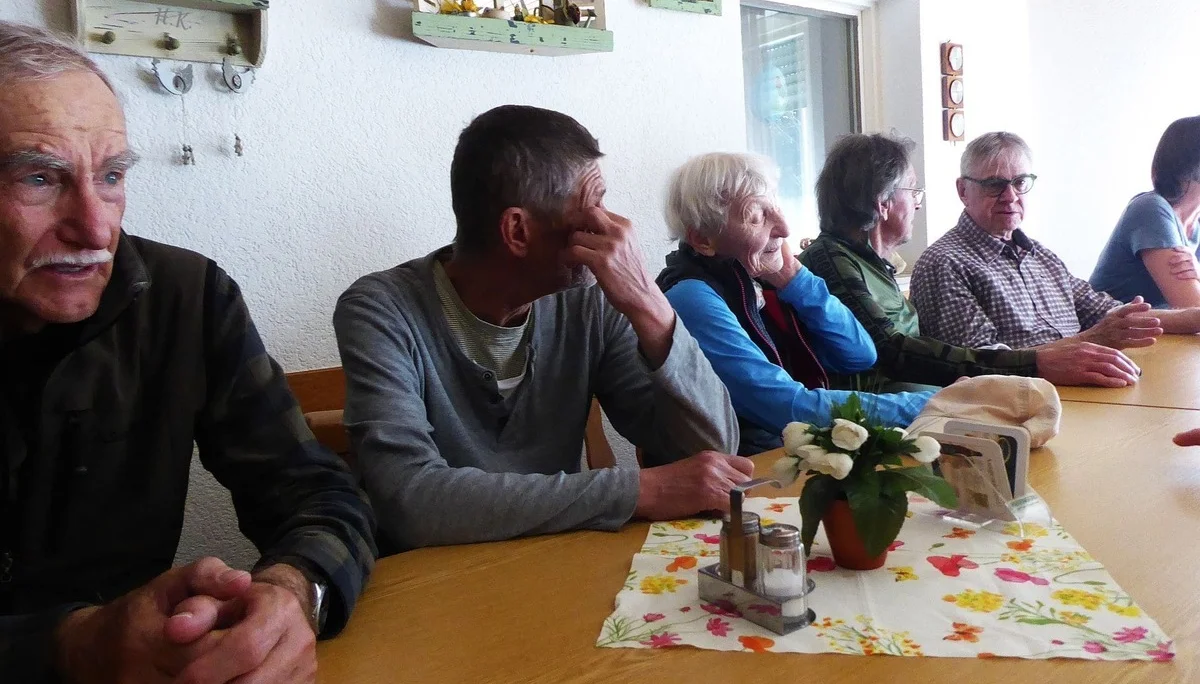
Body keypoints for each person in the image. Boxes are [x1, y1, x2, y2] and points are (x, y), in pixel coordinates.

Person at [0, 22, 376, 683]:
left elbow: (317, 495)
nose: (95, 227)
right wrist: (70, 644)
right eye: (39, 177)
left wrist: (293, 593)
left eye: (113, 176)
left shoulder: (186, 297)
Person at [334, 105, 745, 551]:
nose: (617, 227)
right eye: (595, 204)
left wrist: (649, 303)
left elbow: (712, 450)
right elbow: (409, 502)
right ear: (518, 231)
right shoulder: (380, 310)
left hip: (554, 565)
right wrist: (641, 490)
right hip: (429, 588)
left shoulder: (588, 300)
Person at [800, 134, 1140, 390]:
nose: (918, 205)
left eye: (1020, 183)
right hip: (894, 426)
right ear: (884, 203)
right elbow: (895, 352)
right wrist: (1040, 361)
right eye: (913, 191)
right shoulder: (834, 260)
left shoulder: (870, 262)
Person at [654, 152, 930, 455]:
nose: (785, 229)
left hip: (782, 457)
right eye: (757, 217)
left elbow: (860, 354)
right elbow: (785, 407)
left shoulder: (753, 279)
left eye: (777, 208)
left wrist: (795, 279)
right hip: (739, 476)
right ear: (703, 239)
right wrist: (929, 404)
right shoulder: (691, 297)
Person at [911, 131, 1200, 352]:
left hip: (1082, 390)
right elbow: (978, 364)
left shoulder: (1041, 256)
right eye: (995, 185)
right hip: (1020, 409)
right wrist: (1090, 340)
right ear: (963, 190)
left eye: (1020, 183)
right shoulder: (945, 263)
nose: (1010, 197)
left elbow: (1111, 314)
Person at [1090, 116, 1200, 308]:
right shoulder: (1151, 209)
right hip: (1114, 335)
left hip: (1167, 335)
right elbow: (1192, 309)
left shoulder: (1195, 225)